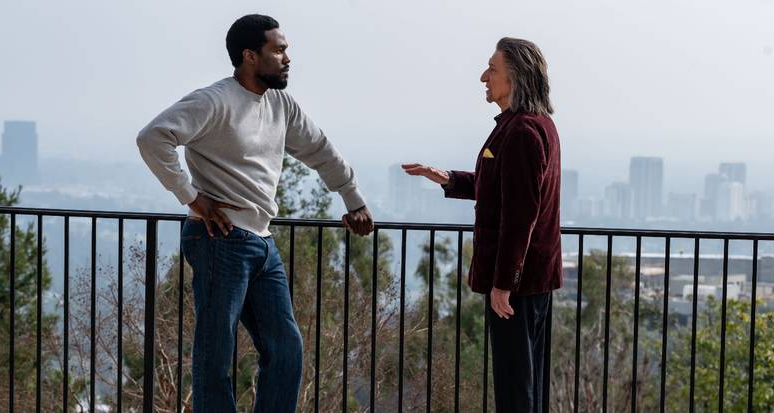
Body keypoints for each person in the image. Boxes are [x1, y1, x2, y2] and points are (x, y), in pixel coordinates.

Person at [136, 14, 374, 412]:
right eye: (278, 50)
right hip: (219, 240)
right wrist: (191, 197)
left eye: (286, 49)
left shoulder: (280, 103)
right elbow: (152, 138)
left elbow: (320, 150)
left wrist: (354, 199)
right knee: (215, 351)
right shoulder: (214, 100)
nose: (287, 58)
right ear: (250, 56)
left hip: (262, 244)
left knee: (286, 348)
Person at [402, 37, 562, 413]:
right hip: (532, 279)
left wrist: (503, 284)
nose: (483, 77)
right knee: (526, 380)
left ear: (516, 77)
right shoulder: (534, 125)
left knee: (515, 385)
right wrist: (447, 178)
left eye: (492, 69)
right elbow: (501, 187)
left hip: (518, 286)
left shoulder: (521, 131)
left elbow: (520, 216)